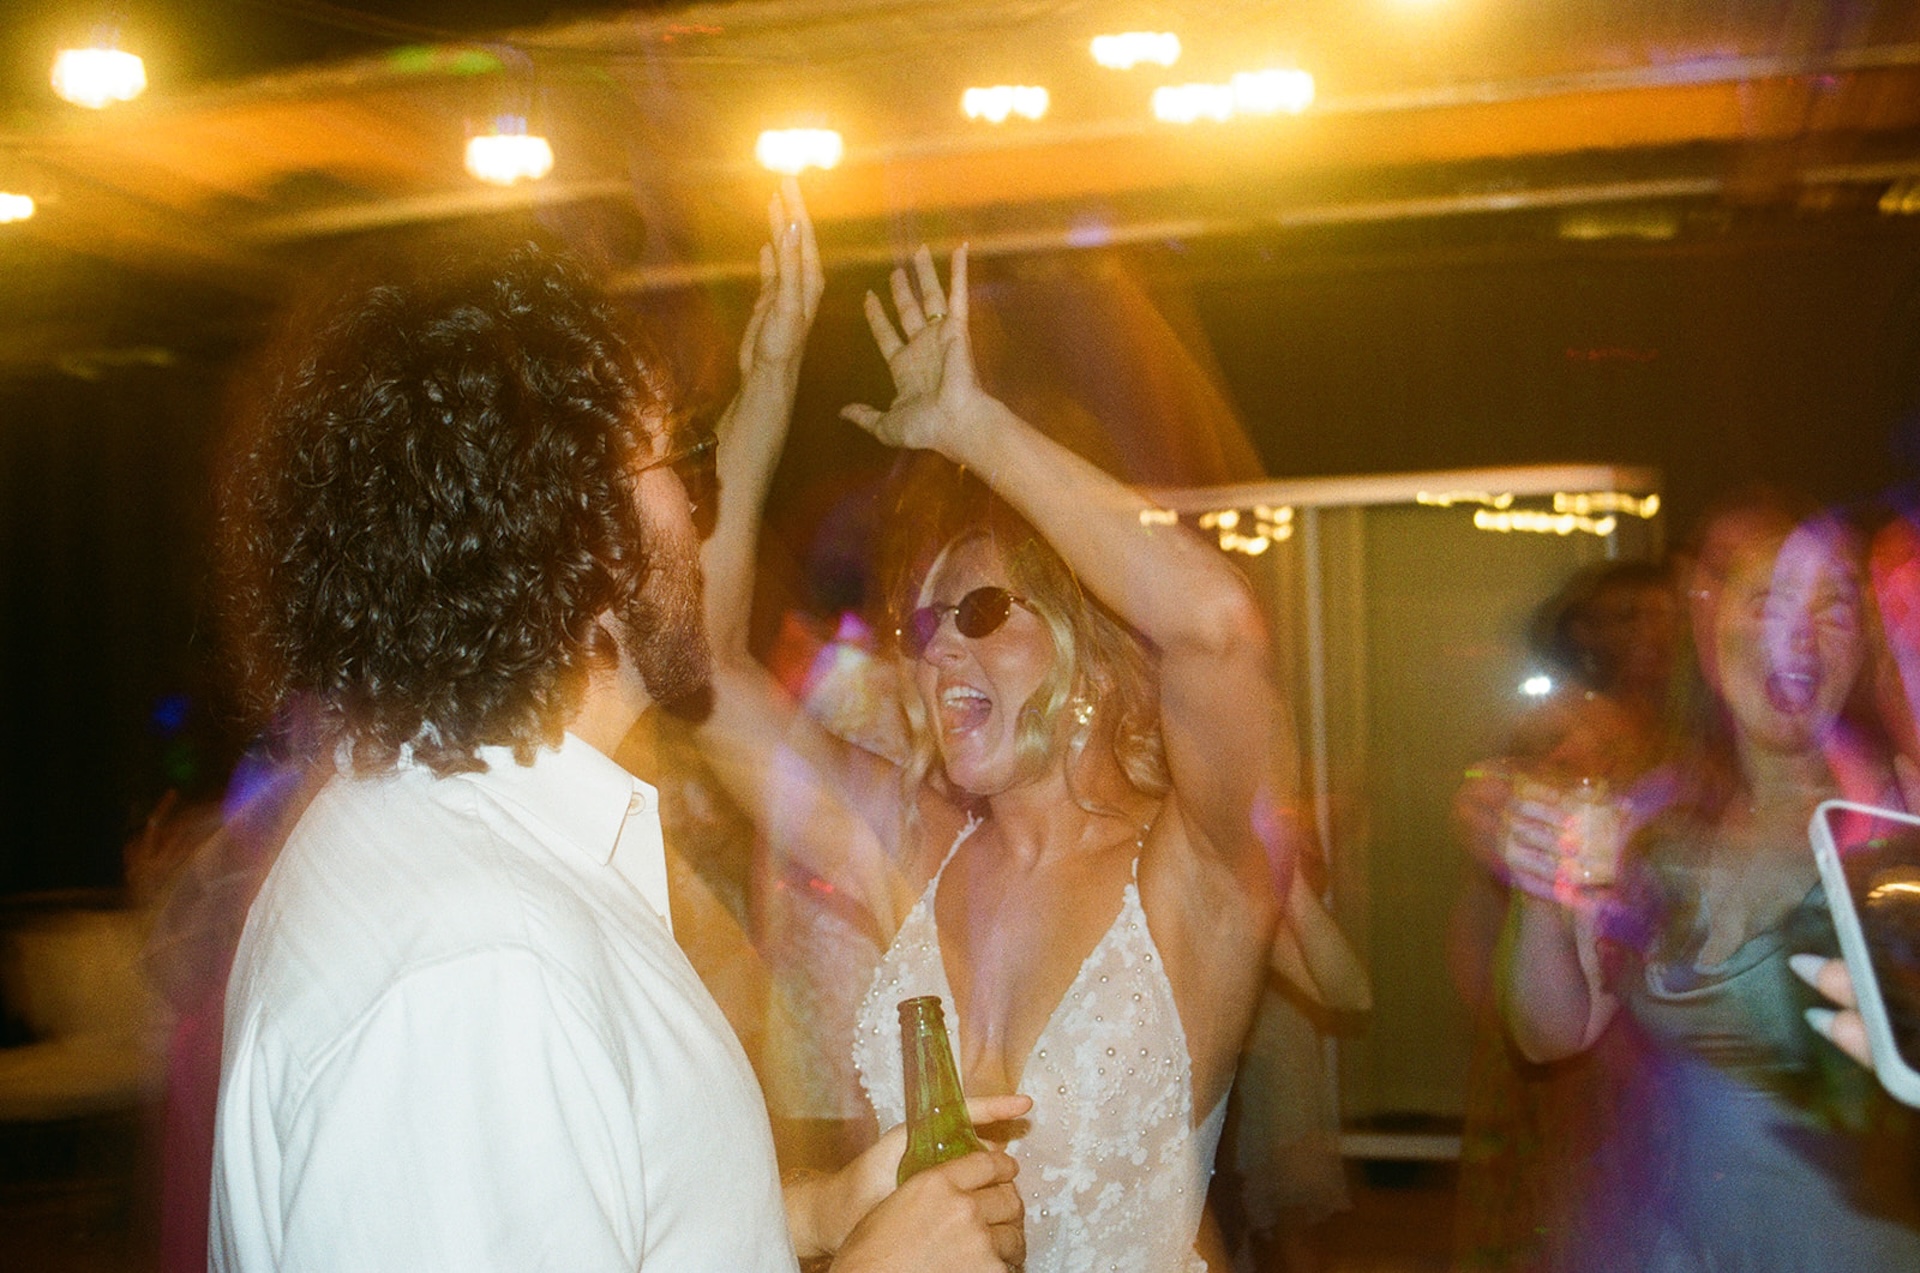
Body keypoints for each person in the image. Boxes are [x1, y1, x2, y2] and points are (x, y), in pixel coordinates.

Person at [207, 191, 1027, 1272]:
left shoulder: (464, 847)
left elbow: (605, 1209)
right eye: (672, 470)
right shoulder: (475, 971)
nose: (700, 514)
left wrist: (817, 1216)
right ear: (574, 539)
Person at [692, 200, 1285, 1273]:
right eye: (922, 628)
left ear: (1090, 645)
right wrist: (769, 379)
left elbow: (1216, 627)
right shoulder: (909, 854)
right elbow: (704, 670)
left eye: (977, 615)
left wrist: (976, 430)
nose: (935, 654)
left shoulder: (1191, 872)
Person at [1499, 502, 1920, 1270]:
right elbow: (1550, 1033)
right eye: (1768, 600)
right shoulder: (1654, 819)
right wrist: (1537, 896)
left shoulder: (1902, 818)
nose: (1801, 631)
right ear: (1711, 634)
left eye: (1835, 609)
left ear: (1861, 648)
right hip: (1672, 1241)